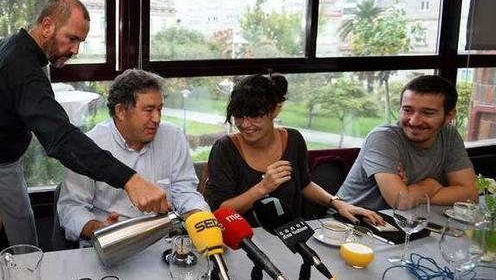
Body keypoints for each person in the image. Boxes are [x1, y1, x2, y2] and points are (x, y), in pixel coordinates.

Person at [0, 0, 168, 246]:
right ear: (47, 26)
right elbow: (60, 137)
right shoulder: (24, 69)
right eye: (72, 38)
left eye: (80, 42)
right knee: (24, 251)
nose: (76, 50)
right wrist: (129, 179)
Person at [206, 74, 381, 228]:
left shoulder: (294, 139)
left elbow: (304, 184)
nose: (244, 124)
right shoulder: (225, 149)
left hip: (291, 234)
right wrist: (263, 187)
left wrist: (338, 204)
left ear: (275, 110)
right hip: (244, 241)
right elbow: (220, 211)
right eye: (238, 116)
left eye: (254, 116)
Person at [58, 69, 208, 242]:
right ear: (121, 111)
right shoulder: (88, 146)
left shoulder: (173, 137)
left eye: (160, 109)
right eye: (149, 110)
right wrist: (99, 229)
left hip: (163, 240)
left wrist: (199, 216)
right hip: (109, 242)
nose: (157, 118)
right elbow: (71, 208)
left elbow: (184, 191)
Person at [338, 75, 476, 210]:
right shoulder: (383, 138)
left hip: (404, 220)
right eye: (407, 110)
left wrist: (415, 194)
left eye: (427, 113)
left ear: (449, 116)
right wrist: (431, 186)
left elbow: (470, 194)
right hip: (350, 222)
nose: (414, 121)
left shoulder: (449, 135)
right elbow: (401, 201)